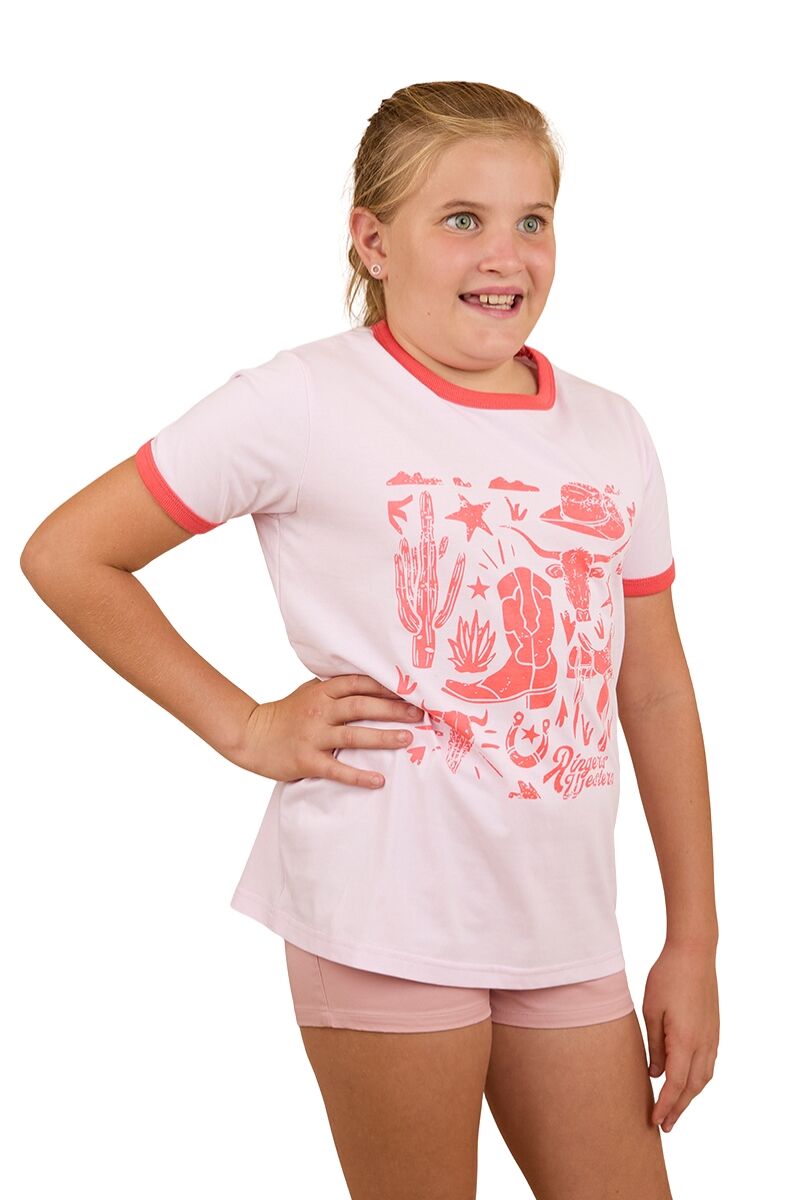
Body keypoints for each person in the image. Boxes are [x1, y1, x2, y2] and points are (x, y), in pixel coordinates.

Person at [20, 80, 719, 1199]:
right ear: (373, 240)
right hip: (384, 909)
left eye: (532, 220)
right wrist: (245, 725)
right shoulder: (300, 400)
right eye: (462, 219)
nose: (505, 256)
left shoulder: (609, 429)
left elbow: (656, 691)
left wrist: (693, 939)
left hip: (564, 921)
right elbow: (69, 554)